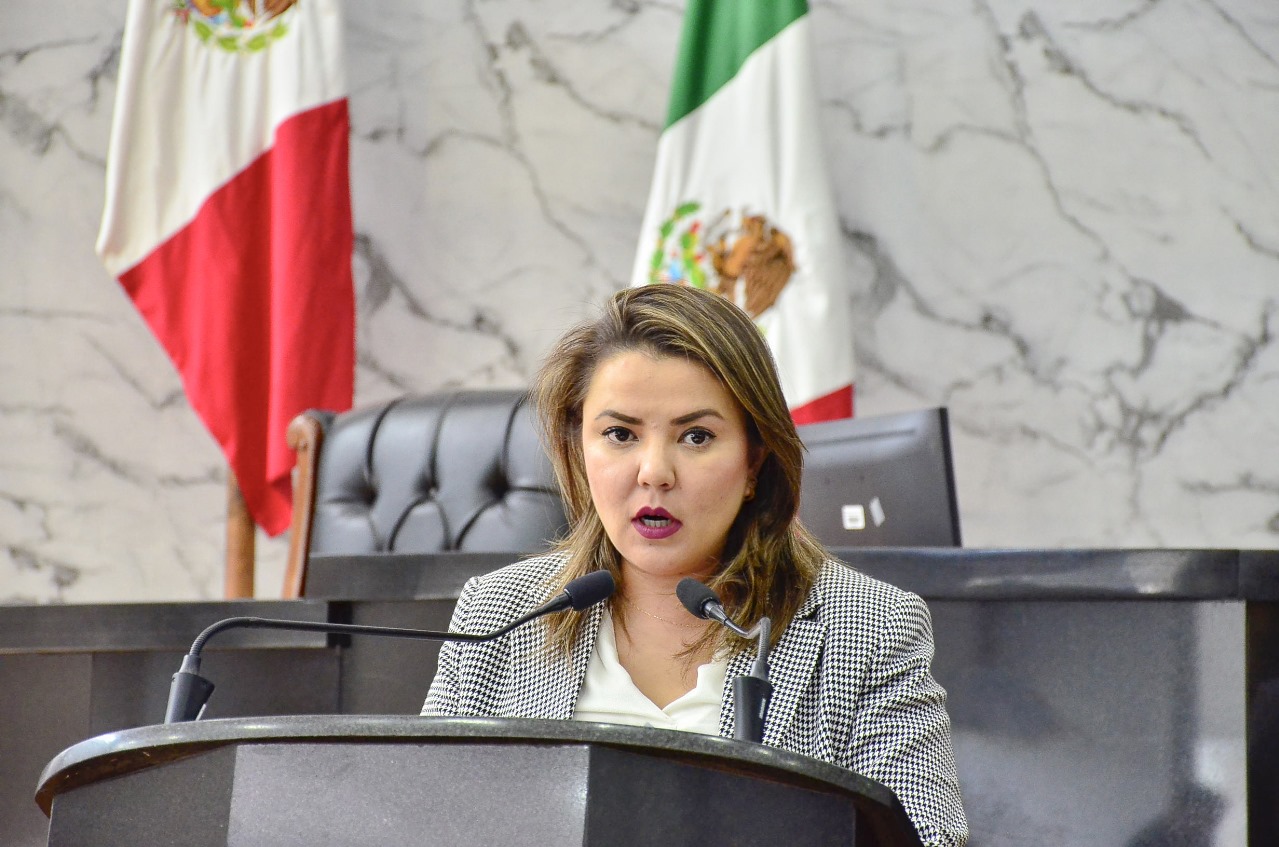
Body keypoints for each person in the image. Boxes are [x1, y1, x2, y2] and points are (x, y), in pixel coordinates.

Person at [423, 283, 968, 846]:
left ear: (754, 462)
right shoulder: (500, 613)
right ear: (578, 450)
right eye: (620, 434)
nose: (654, 472)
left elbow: (928, 839)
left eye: (696, 436)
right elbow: (423, 820)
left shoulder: (870, 626)